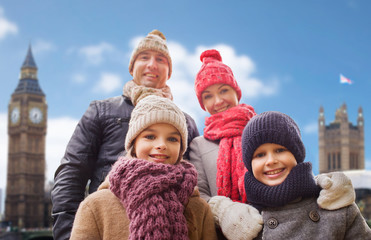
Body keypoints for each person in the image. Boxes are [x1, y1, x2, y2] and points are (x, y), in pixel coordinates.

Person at [189, 49, 357, 240]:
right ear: (202, 103)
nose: (218, 101)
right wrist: (225, 211)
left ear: (236, 91)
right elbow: (199, 195)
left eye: (223, 90)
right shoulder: (199, 145)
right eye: (208, 96)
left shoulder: (263, 128)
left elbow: (293, 169)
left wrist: (325, 186)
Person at [51, 30, 199, 240]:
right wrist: (71, 234)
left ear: (169, 72)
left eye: (160, 59)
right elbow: (72, 172)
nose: (152, 65)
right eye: (144, 57)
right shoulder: (101, 110)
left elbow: (196, 182)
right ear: (131, 67)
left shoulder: (186, 122)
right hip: (109, 225)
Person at [70, 95, 217, 240]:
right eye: (150, 136)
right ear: (134, 144)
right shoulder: (96, 206)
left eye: (172, 139)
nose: (162, 145)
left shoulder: (199, 208)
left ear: (181, 150)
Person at [241, 111, 371, 239]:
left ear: (297, 155)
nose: (270, 161)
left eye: (280, 150)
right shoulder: (243, 221)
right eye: (260, 155)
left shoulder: (337, 205)